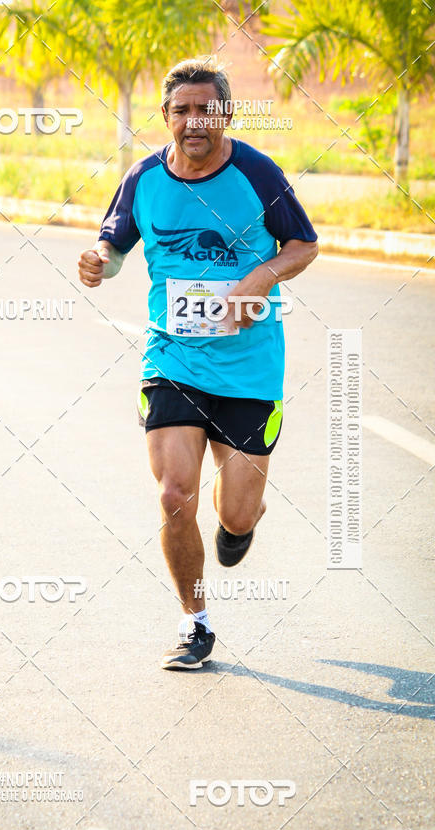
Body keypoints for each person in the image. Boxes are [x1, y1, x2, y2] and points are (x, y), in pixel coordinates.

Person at [78, 57, 318, 670]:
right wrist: (100, 261)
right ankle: (195, 624)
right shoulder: (143, 179)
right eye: (181, 110)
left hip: (248, 371)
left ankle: (241, 522)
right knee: (174, 494)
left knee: (233, 513)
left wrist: (260, 278)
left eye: (205, 109)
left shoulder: (259, 174)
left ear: (225, 114)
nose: (193, 121)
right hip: (172, 360)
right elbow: (116, 242)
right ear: (166, 117)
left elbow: (304, 244)